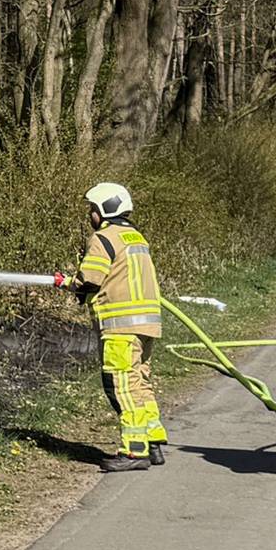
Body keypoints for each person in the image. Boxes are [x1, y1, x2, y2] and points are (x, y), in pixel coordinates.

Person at [72, 181, 167, 472]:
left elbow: (91, 278)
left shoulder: (104, 237)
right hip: (146, 326)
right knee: (140, 383)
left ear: (104, 209)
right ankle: (153, 442)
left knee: (121, 387)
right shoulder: (135, 237)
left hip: (120, 329)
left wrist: (72, 284)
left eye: (92, 209)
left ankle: (134, 452)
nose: (90, 214)